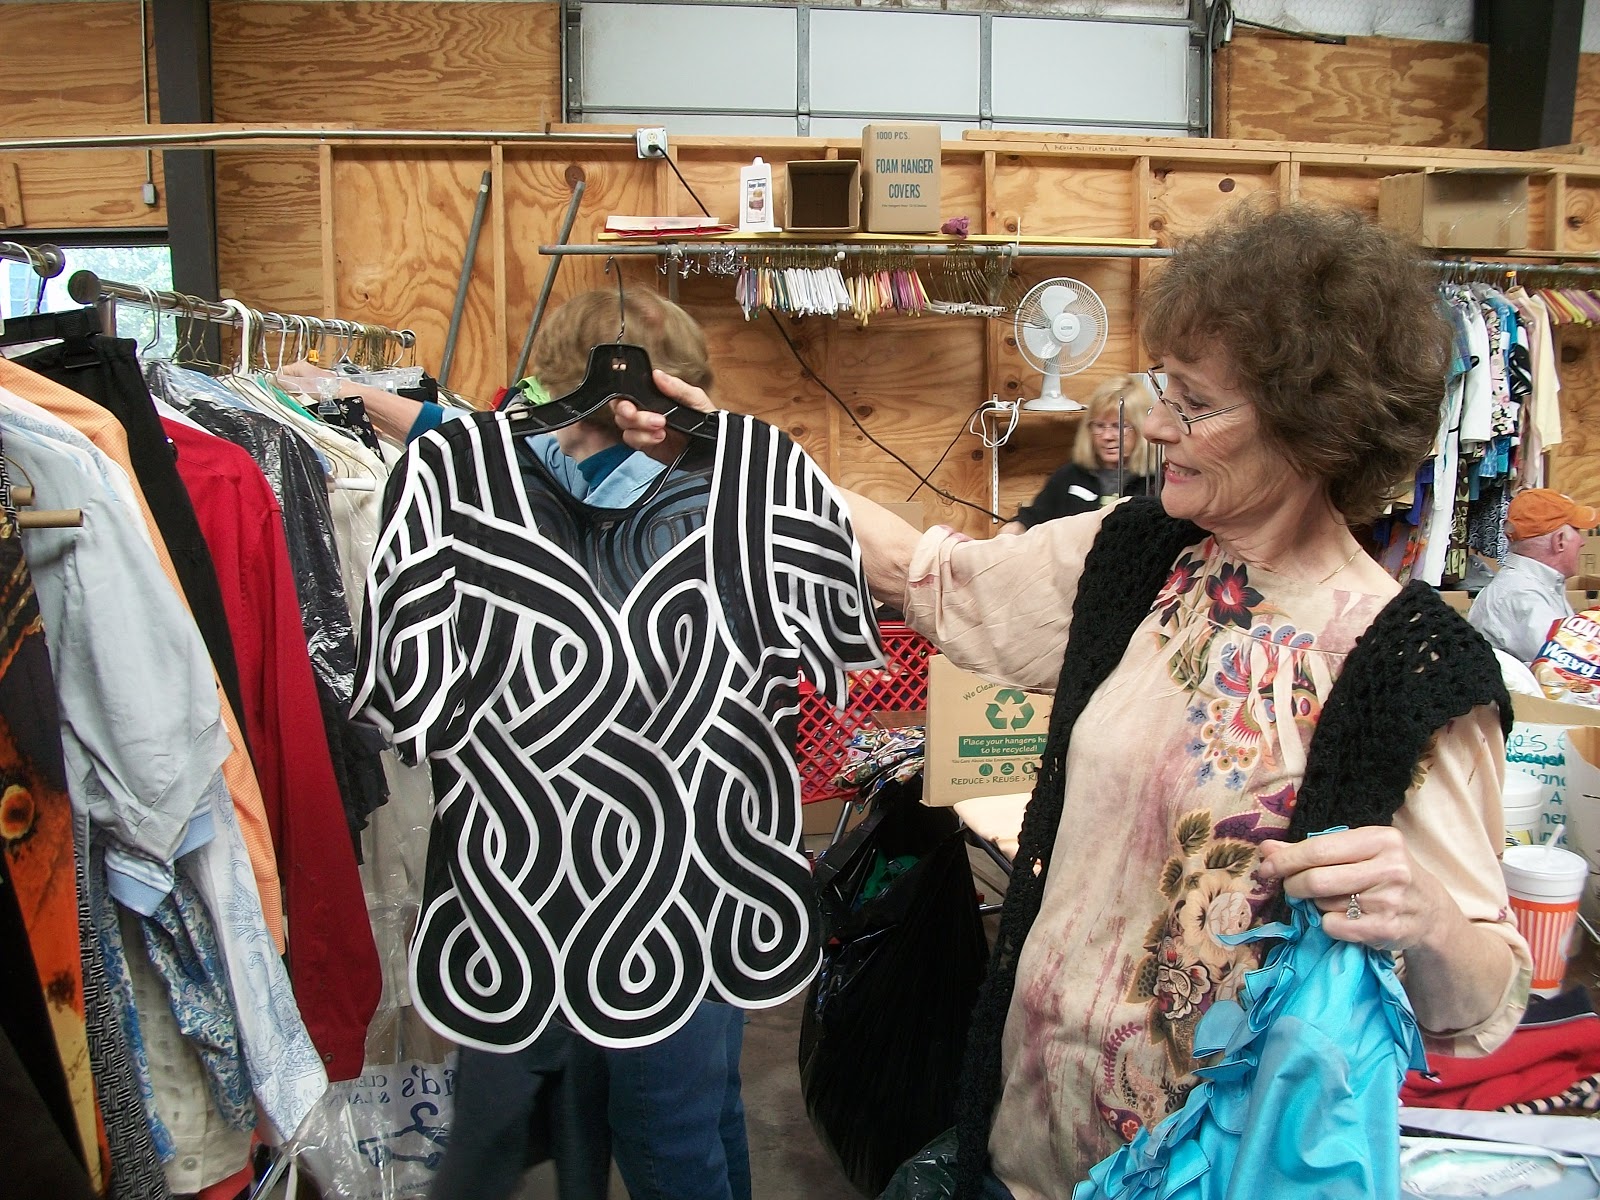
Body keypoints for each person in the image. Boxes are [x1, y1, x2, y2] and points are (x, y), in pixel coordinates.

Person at [616, 203, 1531, 1198]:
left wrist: (1425, 919)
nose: (1154, 424)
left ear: (1315, 427)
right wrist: (732, 455)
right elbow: (925, 574)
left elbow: (1479, 1005)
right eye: (1164, 388)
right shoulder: (1136, 557)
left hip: (1203, 1175)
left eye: (1195, 404)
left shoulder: (1408, 671)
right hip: (1023, 1149)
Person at [294, 289, 752, 1200]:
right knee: (675, 1112)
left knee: (662, 1119)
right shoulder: (585, 482)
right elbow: (456, 434)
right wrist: (350, 395)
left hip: (646, 873)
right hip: (637, 865)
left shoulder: (681, 501)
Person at [998, 374, 1158, 535]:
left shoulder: (1156, 483)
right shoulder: (1069, 476)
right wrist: (1012, 529)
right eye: (1099, 426)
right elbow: (1032, 518)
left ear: (1141, 429)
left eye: (1118, 426)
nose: (1107, 436)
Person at [1469, 488, 1598, 664]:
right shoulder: (1523, 595)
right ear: (1559, 541)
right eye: (1576, 530)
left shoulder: (1533, 586)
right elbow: (1572, 667)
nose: (1582, 542)